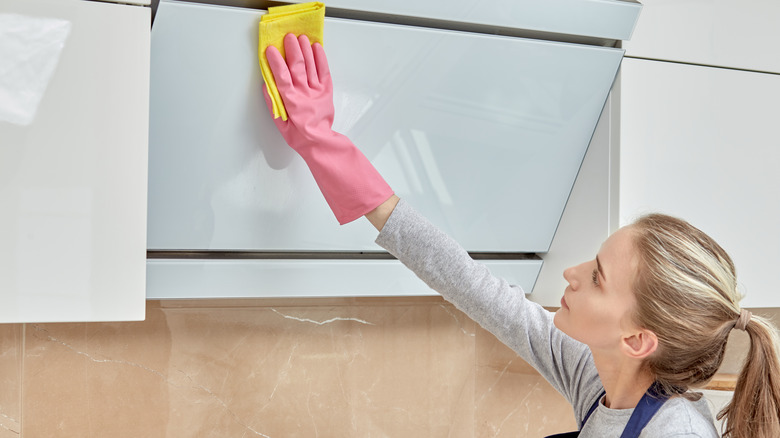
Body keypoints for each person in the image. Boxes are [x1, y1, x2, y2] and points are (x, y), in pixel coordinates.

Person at [262, 33, 780, 437]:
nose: (571, 275)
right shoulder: (601, 379)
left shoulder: (676, 433)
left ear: (638, 340)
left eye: (598, 279)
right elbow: (466, 281)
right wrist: (324, 145)